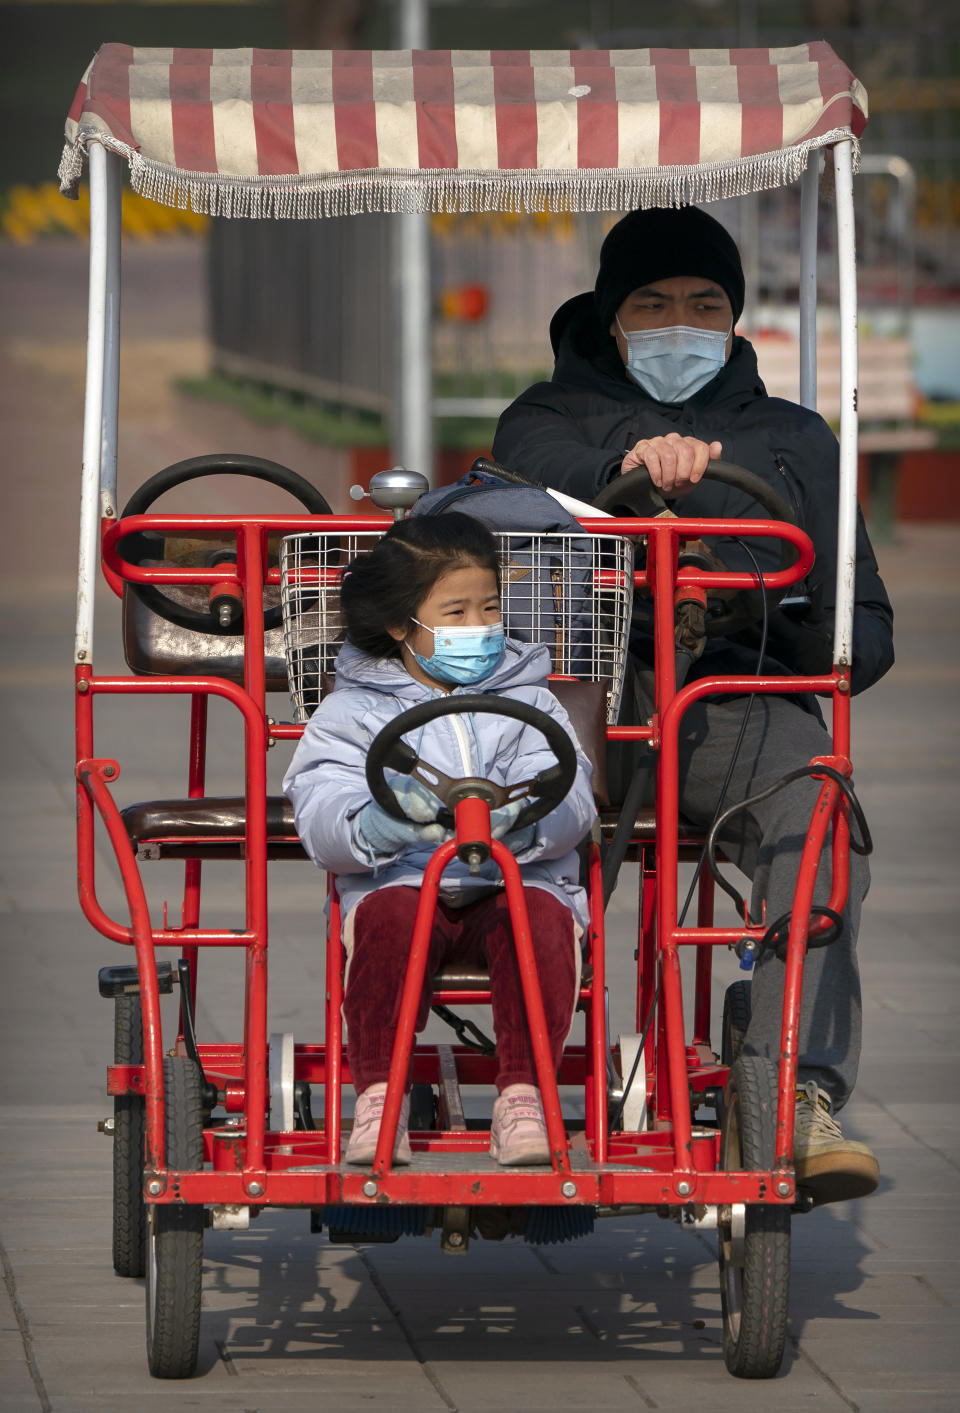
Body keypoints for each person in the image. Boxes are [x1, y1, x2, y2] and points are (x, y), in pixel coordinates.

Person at [492, 204, 895, 1205]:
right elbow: (544, 484)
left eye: (705, 303)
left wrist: (764, 601)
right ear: (612, 317)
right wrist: (634, 470)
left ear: (735, 316)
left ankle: (794, 1084)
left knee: (818, 804)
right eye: (655, 303)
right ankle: (515, 1075)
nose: (682, 321)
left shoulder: (797, 438)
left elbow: (868, 633)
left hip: (728, 703)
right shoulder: (545, 418)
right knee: (486, 814)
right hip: (578, 699)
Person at [283, 513, 596, 1167]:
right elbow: (319, 806)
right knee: (389, 921)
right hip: (401, 876)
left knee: (539, 919)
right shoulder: (353, 711)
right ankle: (380, 1095)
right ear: (402, 624)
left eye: (489, 608)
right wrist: (374, 825)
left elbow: (572, 793)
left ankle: (525, 1093)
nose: (478, 626)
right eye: (455, 611)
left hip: (514, 876)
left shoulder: (531, 700)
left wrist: (532, 818)